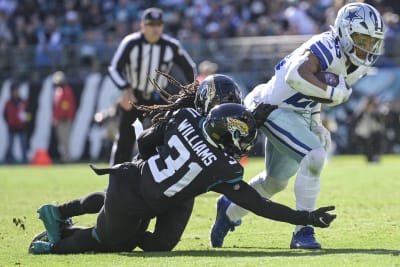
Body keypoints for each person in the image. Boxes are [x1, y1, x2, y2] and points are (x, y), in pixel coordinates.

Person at [29, 102, 336, 254]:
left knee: (115, 213)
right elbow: (258, 204)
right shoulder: (220, 167)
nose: (243, 143)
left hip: (131, 176)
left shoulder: (187, 115)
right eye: (241, 135)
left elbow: (148, 145)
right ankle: (52, 247)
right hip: (136, 201)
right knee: (105, 243)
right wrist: (305, 216)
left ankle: (59, 214)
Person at [210, 2, 384, 249]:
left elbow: (312, 95)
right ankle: (303, 231)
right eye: (361, 39)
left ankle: (229, 211)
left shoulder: (355, 65)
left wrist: (315, 123)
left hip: (294, 113)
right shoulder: (327, 47)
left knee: (275, 181)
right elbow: (296, 76)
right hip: (270, 108)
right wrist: (333, 92)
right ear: (345, 33)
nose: (366, 48)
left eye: (371, 42)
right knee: (314, 156)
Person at [30, 73, 244, 251]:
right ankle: (53, 242)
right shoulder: (188, 116)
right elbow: (147, 141)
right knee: (113, 238)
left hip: (160, 178)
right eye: (226, 103)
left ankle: (60, 216)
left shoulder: (194, 116)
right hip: (155, 176)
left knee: (122, 226)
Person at [108, 7, 197, 165]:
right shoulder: (131, 42)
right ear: (143, 26)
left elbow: (190, 69)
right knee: (125, 142)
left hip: (159, 100)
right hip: (134, 98)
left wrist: (191, 92)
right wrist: (125, 88)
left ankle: (161, 179)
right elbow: (114, 68)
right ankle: (115, 183)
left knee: (164, 139)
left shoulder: (171, 46)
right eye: (151, 24)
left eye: (158, 24)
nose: (155, 28)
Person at [52, 71, 76, 163]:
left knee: (65, 139)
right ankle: (65, 156)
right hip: (59, 120)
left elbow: (67, 106)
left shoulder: (66, 91)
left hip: (64, 120)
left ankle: (67, 158)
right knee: (62, 140)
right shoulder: (59, 91)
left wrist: (64, 117)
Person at [3, 82, 29, 163]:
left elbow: (27, 113)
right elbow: (5, 114)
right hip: (12, 126)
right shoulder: (8, 102)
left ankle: (24, 159)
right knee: (10, 145)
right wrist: (9, 122)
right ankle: (9, 159)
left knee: (23, 144)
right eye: (14, 90)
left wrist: (26, 121)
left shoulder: (23, 101)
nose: (16, 92)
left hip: (21, 126)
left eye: (17, 90)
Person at [353, 96, 385, 163]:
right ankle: (369, 159)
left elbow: (380, 120)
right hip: (365, 133)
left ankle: (376, 157)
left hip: (376, 131)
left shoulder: (377, 111)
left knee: (376, 145)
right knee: (367, 147)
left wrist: (374, 111)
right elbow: (356, 119)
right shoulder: (362, 111)